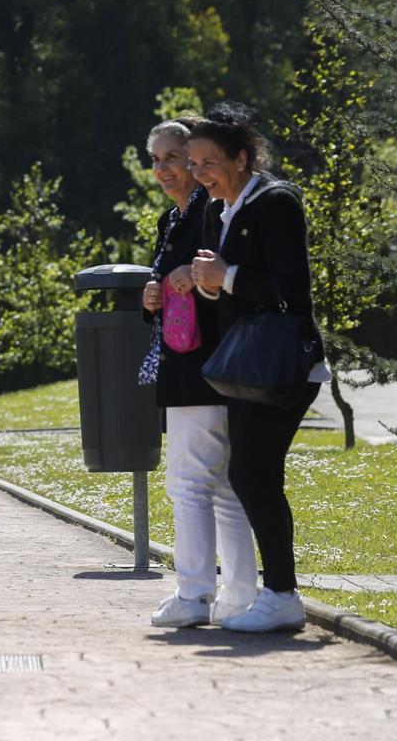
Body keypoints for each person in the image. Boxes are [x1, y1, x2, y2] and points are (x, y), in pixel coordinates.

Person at [188, 101, 328, 633]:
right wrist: (208, 282)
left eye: (209, 162)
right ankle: (277, 595)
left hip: (283, 368)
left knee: (252, 474)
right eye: (194, 163)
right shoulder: (217, 208)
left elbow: (293, 293)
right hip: (245, 367)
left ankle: (282, 595)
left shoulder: (275, 203)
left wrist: (225, 276)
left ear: (242, 157)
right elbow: (228, 285)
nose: (200, 174)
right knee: (252, 475)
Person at [139, 119, 259, 629]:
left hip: (202, 363)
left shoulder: (208, 214)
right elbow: (169, 282)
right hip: (192, 361)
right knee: (222, 483)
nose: (166, 169)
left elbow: (214, 278)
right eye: (157, 160)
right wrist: (153, 295)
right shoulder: (174, 218)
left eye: (176, 158)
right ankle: (238, 595)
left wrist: (187, 279)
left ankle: (193, 595)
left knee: (189, 481)